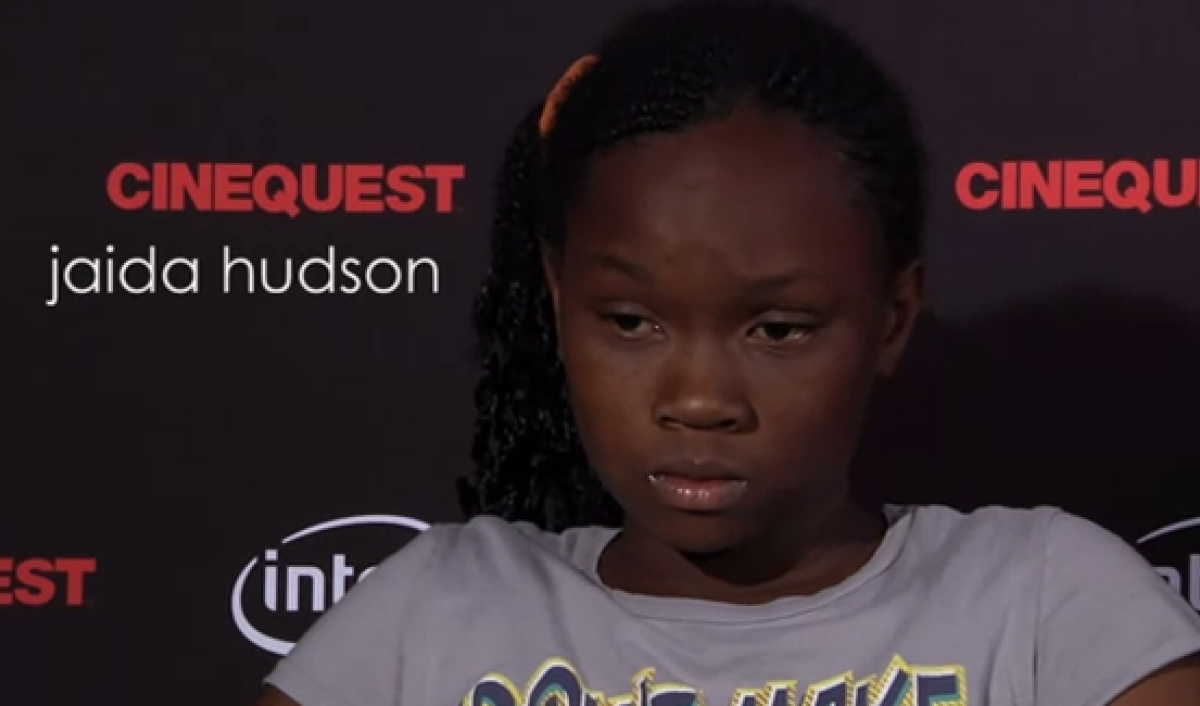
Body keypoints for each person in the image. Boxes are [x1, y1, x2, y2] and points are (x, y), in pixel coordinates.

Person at [254, 1, 1200, 704]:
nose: (700, 398)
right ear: (558, 300)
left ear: (893, 318)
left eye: (777, 330)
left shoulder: (1046, 607)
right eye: (632, 321)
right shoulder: (428, 614)